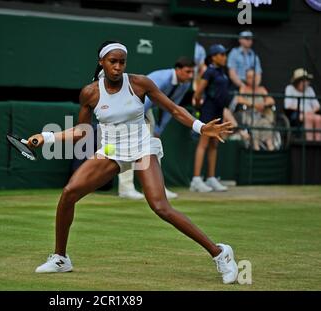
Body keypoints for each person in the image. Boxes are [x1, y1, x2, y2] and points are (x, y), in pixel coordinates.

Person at [28, 41, 238, 284]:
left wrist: (201, 127)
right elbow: (82, 131)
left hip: (141, 148)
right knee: (69, 193)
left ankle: (220, 252)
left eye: (122, 62)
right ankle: (61, 258)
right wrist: (47, 137)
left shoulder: (139, 83)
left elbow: (173, 109)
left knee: (160, 207)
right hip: (111, 150)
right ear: (101, 62)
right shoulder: (90, 93)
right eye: (112, 61)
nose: (118, 67)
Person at [118, 57, 195, 200]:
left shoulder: (184, 85)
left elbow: (172, 108)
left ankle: (157, 189)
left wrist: (159, 130)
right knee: (128, 147)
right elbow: (143, 101)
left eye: (192, 72)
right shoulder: (163, 79)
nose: (190, 76)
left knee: (152, 148)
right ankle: (126, 189)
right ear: (178, 70)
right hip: (131, 106)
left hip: (145, 110)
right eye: (187, 72)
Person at [190, 44, 230, 193]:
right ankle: (196, 180)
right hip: (208, 110)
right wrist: (200, 106)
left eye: (225, 54)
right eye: (222, 54)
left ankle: (211, 178)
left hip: (218, 111)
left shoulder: (222, 72)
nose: (224, 57)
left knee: (214, 143)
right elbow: (198, 92)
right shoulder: (210, 72)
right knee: (203, 143)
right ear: (213, 57)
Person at [236, 69, 276, 150]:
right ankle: (256, 148)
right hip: (249, 115)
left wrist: (263, 104)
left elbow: (271, 100)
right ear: (246, 79)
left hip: (261, 115)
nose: (252, 79)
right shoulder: (244, 88)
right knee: (254, 124)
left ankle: (270, 148)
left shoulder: (261, 89)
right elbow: (239, 99)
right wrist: (253, 104)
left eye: (254, 77)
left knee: (267, 124)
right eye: (250, 77)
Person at [284, 68, 320, 141]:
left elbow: (317, 105)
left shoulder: (310, 89)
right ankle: (309, 143)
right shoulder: (289, 88)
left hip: (310, 113)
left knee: (319, 118)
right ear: (297, 82)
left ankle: (318, 143)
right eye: (303, 81)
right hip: (296, 114)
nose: (306, 83)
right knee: (308, 118)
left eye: (306, 80)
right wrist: (302, 111)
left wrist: (311, 112)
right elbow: (287, 105)